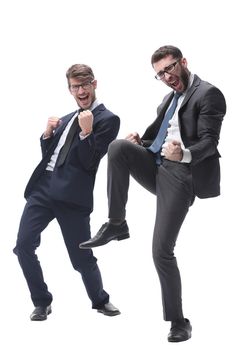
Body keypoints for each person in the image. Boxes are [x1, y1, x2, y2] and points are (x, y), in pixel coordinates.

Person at [80, 46, 226, 342]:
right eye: (159, 74)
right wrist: (140, 142)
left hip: (181, 174)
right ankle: (117, 223)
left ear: (183, 62)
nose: (166, 77)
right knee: (119, 147)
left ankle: (178, 321)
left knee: (161, 250)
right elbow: (160, 136)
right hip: (156, 164)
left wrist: (183, 154)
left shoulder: (208, 94)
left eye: (170, 69)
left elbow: (210, 142)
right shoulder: (167, 98)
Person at [13, 64, 121, 321]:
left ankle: (100, 300)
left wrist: (87, 132)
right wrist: (47, 134)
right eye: (75, 86)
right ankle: (41, 302)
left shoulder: (108, 119)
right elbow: (53, 155)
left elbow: (89, 163)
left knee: (81, 258)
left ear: (95, 84)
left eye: (85, 85)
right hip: (42, 189)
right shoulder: (67, 117)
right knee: (23, 246)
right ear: (69, 89)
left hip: (72, 195)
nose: (81, 91)